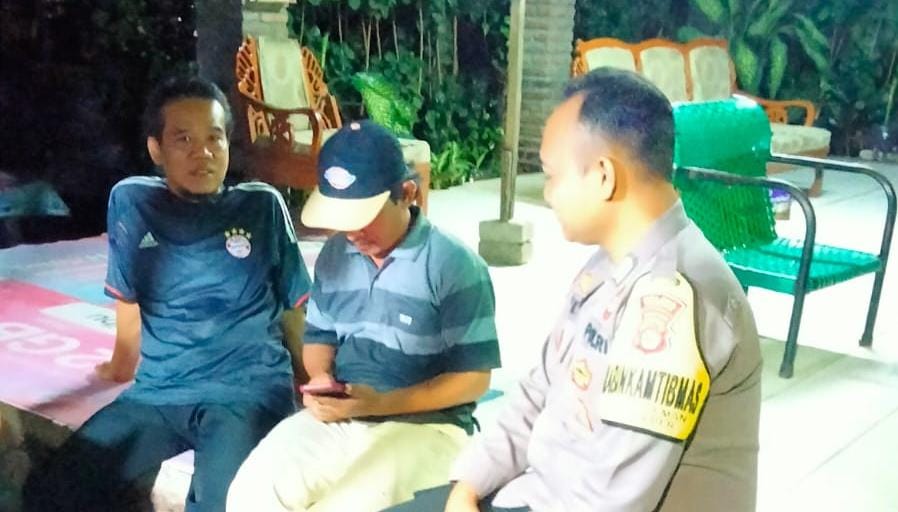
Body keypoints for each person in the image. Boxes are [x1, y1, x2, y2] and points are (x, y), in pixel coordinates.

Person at [391, 68, 763, 512]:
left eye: (552, 175)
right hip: (539, 494)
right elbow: (537, 391)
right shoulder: (609, 265)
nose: (549, 193)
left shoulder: (672, 301)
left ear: (603, 176)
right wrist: (468, 486)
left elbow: (611, 500)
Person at [23, 75, 312, 512]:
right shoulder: (133, 203)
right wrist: (120, 366)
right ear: (156, 149)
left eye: (214, 137)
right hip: (159, 393)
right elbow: (128, 296)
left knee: (219, 504)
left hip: (245, 391)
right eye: (184, 139)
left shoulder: (261, 206)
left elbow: (293, 308)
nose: (203, 152)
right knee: (55, 492)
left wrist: (311, 383)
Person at [226, 120, 502, 512]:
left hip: (428, 427)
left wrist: (380, 403)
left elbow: (474, 380)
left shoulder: (454, 265)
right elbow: (320, 339)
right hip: (344, 414)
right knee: (251, 493)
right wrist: (321, 379)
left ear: (406, 194)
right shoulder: (335, 255)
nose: (351, 232)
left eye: (362, 216)